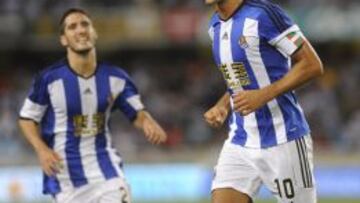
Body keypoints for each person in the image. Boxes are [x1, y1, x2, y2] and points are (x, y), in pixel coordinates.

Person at [18, 8, 167, 203]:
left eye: (85, 24)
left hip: (107, 173)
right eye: (72, 27)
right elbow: (27, 118)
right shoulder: (49, 80)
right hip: (66, 179)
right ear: (63, 39)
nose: (80, 30)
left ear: (94, 33)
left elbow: (137, 113)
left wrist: (148, 122)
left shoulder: (116, 78)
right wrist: (42, 149)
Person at [203, 0, 323, 203]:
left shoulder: (265, 14)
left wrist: (264, 94)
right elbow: (241, 80)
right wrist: (223, 105)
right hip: (241, 140)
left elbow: (312, 65)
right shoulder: (214, 26)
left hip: (284, 138)